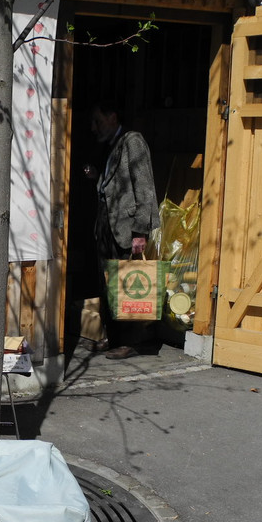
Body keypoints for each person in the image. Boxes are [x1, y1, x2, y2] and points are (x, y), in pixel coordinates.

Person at [83, 101, 160, 360]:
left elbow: (145, 187)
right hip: (106, 225)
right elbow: (113, 183)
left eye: (98, 121)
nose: (94, 128)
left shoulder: (132, 141)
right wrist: (97, 177)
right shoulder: (110, 144)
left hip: (125, 226)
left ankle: (131, 341)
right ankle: (112, 337)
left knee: (128, 282)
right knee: (108, 283)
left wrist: (140, 231)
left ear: (113, 117)